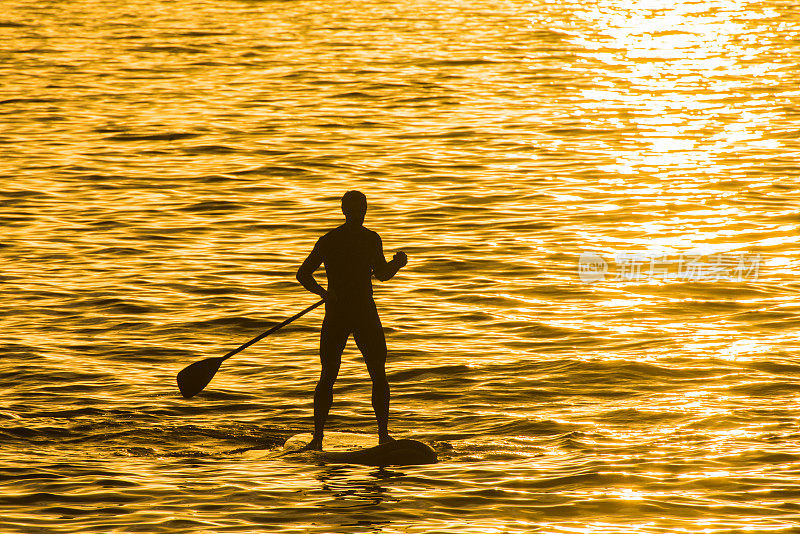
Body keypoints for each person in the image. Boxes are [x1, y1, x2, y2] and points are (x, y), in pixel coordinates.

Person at [296, 190, 407, 450]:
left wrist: (396, 264)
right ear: (346, 210)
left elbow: (380, 274)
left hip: (346, 311)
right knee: (337, 375)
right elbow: (303, 274)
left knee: (374, 373)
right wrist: (398, 263)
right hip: (355, 312)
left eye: (362, 208)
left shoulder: (335, 239)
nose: (360, 213)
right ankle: (320, 438)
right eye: (357, 209)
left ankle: (376, 435)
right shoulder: (358, 239)